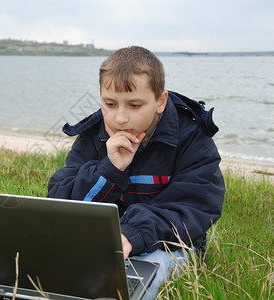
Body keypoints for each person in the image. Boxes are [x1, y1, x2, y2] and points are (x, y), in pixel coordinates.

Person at [47, 46, 225, 298]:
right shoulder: (93, 133)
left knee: (128, 288)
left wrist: (131, 235)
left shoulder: (193, 137)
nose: (119, 118)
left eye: (134, 105)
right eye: (110, 104)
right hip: (104, 244)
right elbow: (61, 204)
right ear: (101, 97)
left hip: (168, 247)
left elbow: (195, 205)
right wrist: (109, 170)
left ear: (160, 101)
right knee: (44, 270)